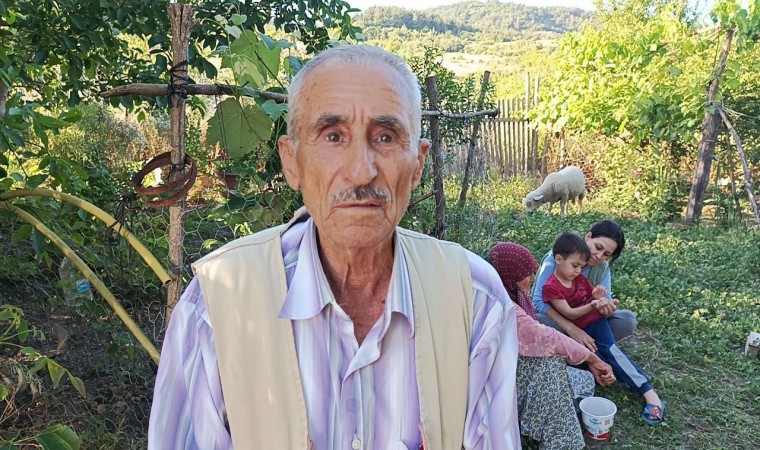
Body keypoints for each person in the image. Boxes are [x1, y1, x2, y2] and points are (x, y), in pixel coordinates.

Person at [147, 44, 521, 450]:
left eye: (385, 137)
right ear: (292, 162)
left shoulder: (474, 299)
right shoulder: (216, 304)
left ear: (417, 165)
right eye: (333, 136)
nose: (361, 171)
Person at [489, 242, 616, 449]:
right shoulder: (503, 306)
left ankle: (553, 410)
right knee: (551, 363)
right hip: (503, 381)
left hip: (518, 369)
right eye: (527, 274)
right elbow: (543, 336)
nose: (532, 279)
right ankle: (561, 439)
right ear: (509, 274)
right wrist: (591, 358)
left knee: (584, 380)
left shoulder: (513, 294)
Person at [542, 232, 666, 425]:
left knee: (612, 350)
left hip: (595, 323)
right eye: (576, 266)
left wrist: (601, 302)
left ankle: (649, 393)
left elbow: (592, 296)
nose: (579, 270)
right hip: (569, 328)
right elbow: (566, 312)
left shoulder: (579, 276)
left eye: (606, 254)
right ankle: (599, 369)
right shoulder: (551, 280)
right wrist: (590, 308)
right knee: (600, 356)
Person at [532, 220, 637, 350]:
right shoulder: (558, 258)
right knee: (539, 321)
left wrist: (606, 307)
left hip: (587, 321)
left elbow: (605, 298)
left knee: (627, 319)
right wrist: (572, 329)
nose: (599, 256)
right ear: (588, 237)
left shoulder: (601, 268)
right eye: (598, 247)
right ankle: (585, 348)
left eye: (606, 254)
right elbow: (537, 302)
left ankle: (580, 348)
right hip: (558, 321)